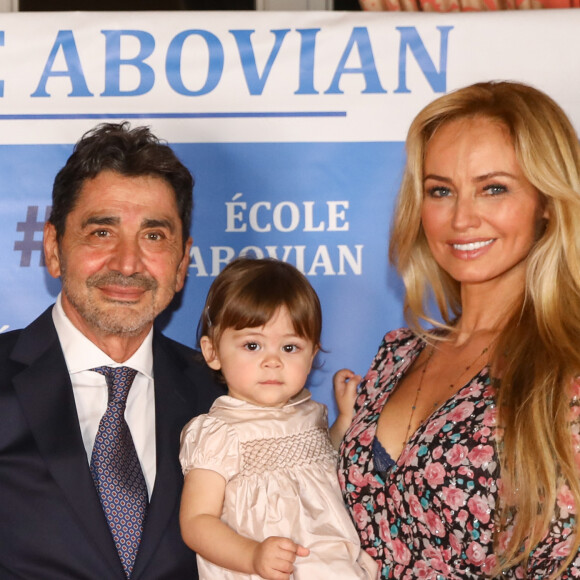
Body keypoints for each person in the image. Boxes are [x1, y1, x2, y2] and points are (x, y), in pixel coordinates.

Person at [336, 81, 580, 578]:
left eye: (494, 188)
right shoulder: (395, 357)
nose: (462, 218)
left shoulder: (569, 366)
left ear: (547, 202)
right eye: (441, 190)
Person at [0, 122, 223, 579]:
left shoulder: (220, 396)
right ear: (54, 248)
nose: (127, 263)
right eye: (102, 232)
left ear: (182, 265)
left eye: (154, 236)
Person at [179, 257, 377, 579]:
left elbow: (327, 465)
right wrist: (252, 555)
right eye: (253, 345)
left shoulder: (311, 414)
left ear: (312, 355)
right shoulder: (219, 432)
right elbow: (197, 522)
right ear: (212, 351)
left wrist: (344, 420)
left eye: (290, 347)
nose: (272, 361)